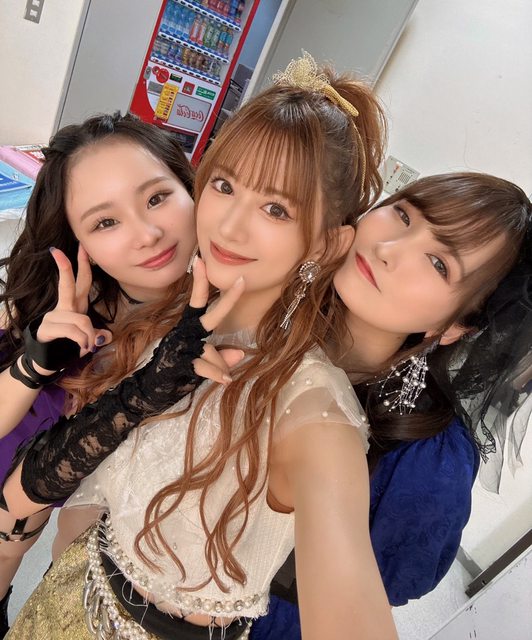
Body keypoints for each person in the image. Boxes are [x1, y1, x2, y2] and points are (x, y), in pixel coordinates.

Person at [2, 54, 399, 639]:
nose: (229, 226)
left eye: (276, 208)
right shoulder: (147, 321)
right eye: (224, 185)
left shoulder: (312, 410)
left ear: (325, 243)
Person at [250, 171, 532, 639]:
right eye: (403, 215)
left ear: (457, 326)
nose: (388, 248)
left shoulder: (428, 463)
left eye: (439, 264)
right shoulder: (263, 299)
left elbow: (377, 592)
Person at [0, 112, 199, 636]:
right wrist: (33, 364)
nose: (148, 234)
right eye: (106, 222)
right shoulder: (59, 305)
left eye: (157, 197)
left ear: (189, 187)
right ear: (77, 241)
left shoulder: (209, 339)